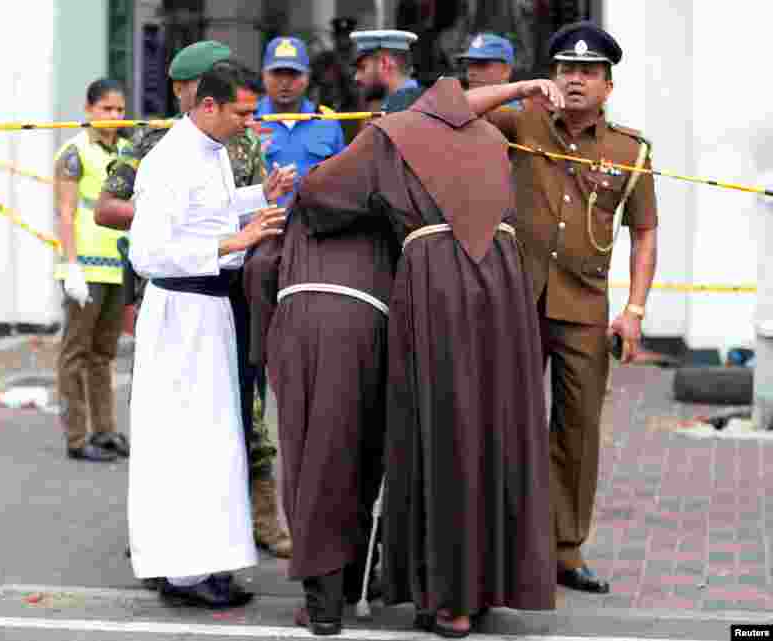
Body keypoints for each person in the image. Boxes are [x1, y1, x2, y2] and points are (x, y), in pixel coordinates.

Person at [298, 77, 565, 637]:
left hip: (440, 283)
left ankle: (450, 600)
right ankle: (487, 585)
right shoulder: (488, 138)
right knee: (494, 428)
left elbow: (319, 195)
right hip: (504, 286)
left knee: (442, 431)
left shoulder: (388, 137)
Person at [469, 21, 658, 596]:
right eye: (565, 70)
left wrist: (635, 310)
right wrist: (519, 87)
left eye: (588, 73)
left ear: (607, 85)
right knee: (504, 419)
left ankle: (564, 550)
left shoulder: (631, 150)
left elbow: (645, 232)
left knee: (576, 432)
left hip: (583, 307)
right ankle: (497, 539)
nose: (575, 81)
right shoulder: (521, 119)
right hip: (517, 299)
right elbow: (453, 108)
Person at [96, 41, 292, 560]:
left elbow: (208, 211)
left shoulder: (212, 151)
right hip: (182, 312)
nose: (250, 124)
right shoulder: (169, 158)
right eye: (242, 114)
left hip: (212, 310)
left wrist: (258, 197)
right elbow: (149, 251)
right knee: (185, 444)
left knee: (215, 442)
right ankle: (182, 568)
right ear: (209, 104)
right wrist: (235, 242)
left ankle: (209, 562)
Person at [244, 120, 396, 636]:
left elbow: (261, 266)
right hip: (367, 329)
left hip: (300, 324)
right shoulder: (388, 209)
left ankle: (321, 602)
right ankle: (354, 580)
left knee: (309, 460)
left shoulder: (307, 200)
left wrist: (265, 344)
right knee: (358, 455)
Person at [53, 79, 131, 463]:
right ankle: (76, 436)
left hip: (118, 266)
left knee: (104, 353)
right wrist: (70, 265)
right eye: (107, 109)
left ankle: (104, 429)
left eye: (119, 110)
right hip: (84, 266)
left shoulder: (128, 150)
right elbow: (66, 211)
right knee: (76, 353)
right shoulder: (74, 152)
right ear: (89, 110)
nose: (114, 116)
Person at [256, 36, 346, 204]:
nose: (284, 82)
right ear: (263, 75)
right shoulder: (248, 120)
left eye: (293, 74)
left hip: (314, 226)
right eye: (277, 73)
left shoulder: (327, 121)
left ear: (307, 76)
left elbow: (342, 180)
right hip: (260, 225)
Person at [349, 30, 423, 112]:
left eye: (362, 68)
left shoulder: (399, 110)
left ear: (384, 63)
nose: (356, 77)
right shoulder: (424, 101)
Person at [456, 33, 523, 110]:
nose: (471, 72)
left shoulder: (516, 114)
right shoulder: (459, 103)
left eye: (481, 64)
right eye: (468, 64)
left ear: (506, 71)